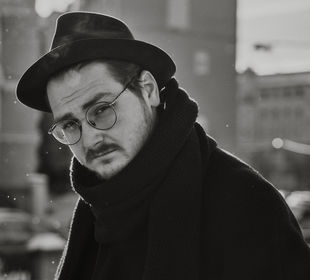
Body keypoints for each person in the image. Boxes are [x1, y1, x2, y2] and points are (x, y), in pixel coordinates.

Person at [16, 12, 310, 280]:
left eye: (102, 109)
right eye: (69, 125)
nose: (90, 138)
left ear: (148, 90)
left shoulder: (245, 201)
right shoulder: (95, 212)